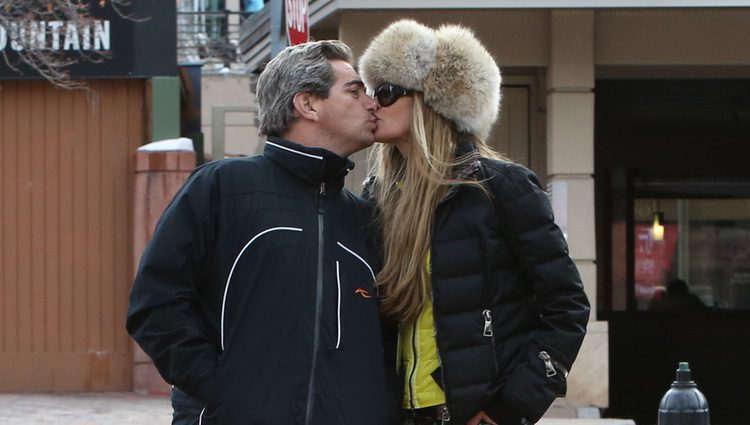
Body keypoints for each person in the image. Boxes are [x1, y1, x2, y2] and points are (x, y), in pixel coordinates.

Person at [127, 40, 398, 425]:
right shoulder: (223, 187)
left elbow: (387, 343)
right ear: (308, 104)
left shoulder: (365, 217)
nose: (372, 104)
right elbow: (156, 303)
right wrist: (223, 391)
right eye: (354, 91)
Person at [358, 20, 591, 425]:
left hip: (470, 413)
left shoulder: (501, 187)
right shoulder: (379, 196)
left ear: (432, 101)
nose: (373, 103)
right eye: (369, 91)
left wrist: (511, 408)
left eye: (387, 91)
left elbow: (566, 307)